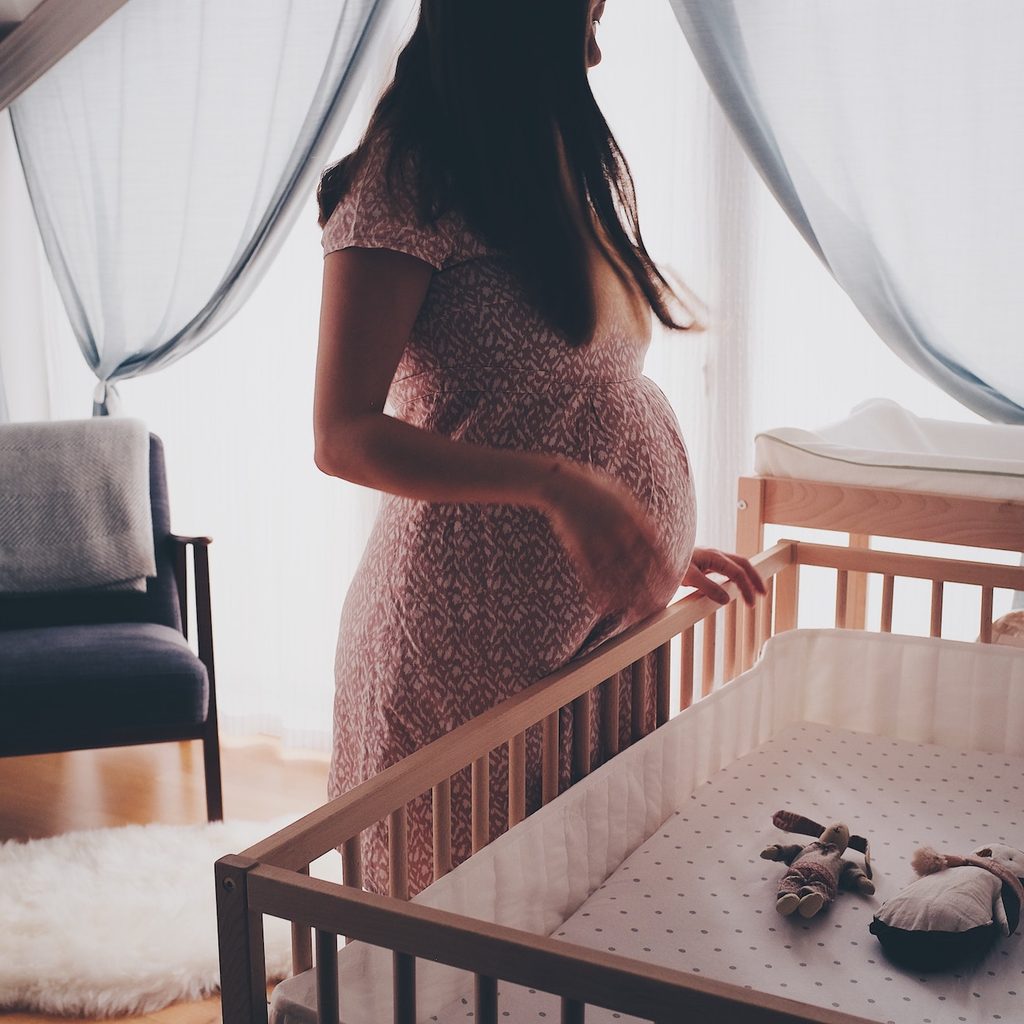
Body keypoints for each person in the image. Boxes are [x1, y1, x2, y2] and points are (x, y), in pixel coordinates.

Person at [313, 0, 765, 897]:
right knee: (462, 935)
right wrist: (562, 488)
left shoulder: (550, 163)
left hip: (587, 646)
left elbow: (563, 397)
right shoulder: (408, 177)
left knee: (570, 906)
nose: (599, 38)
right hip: (458, 652)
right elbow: (342, 433)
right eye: (586, 14)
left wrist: (639, 547)